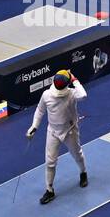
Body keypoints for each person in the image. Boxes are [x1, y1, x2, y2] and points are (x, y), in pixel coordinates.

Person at [27, 70, 88, 205]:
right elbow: (40, 110)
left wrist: (35, 127)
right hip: (53, 132)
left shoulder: (71, 94)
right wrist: (34, 126)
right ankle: (49, 190)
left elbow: (83, 96)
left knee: (77, 154)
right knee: (50, 162)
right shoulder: (50, 95)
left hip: (70, 130)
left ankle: (83, 173)